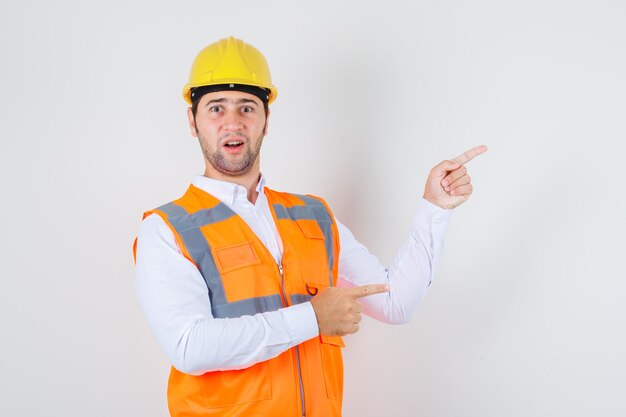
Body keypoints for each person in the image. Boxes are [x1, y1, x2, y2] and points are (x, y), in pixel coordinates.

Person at [134, 36, 487, 417]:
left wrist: (434, 208)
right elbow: (189, 346)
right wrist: (313, 318)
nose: (233, 122)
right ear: (193, 121)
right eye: (216, 108)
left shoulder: (314, 216)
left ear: (266, 120)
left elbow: (394, 301)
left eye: (247, 108)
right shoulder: (167, 229)